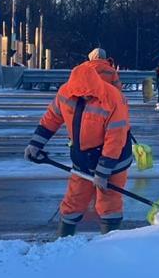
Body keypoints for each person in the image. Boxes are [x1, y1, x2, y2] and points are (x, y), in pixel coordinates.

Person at [24, 59, 133, 237]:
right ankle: (63, 240)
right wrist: (35, 144)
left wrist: (103, 172)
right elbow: (52, 118)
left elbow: (115, 138)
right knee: (74, 200)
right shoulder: (66, 93)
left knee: (109, 202)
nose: (85, 98)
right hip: (82, 158)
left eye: (89, 95)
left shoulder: (113, 99)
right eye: (81, 95)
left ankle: (111, 243)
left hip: (114, 161)